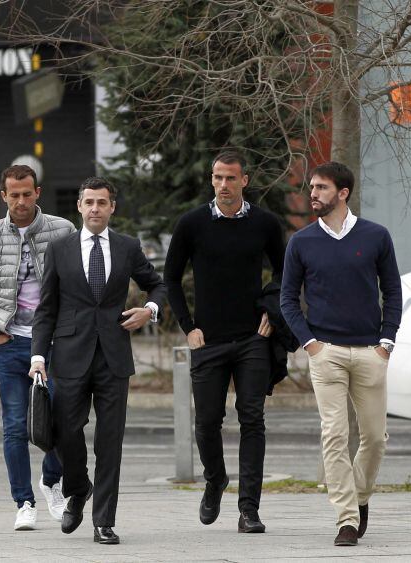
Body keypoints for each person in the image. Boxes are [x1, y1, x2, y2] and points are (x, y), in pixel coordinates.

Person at [30, 176, 166, 545]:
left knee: (110, 441)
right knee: (64, 431)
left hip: (113, 357)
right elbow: (46, 309)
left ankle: (104, 521)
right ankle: (78, 488)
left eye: (101, 202)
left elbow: (158, 284)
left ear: (112, 207)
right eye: (89, 202)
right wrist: (38, 356)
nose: (95, 209)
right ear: (79, 206)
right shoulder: (59, 249)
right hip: (69, 355)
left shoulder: (127, 247)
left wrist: (149, 310)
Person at [163, 150, 285, 534]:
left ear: (244, 180)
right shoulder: (192, 223)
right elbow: (170, 278)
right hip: (208, 340)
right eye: (217, 177)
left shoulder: (265, 223)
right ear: (211, 179)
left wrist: (272, 313)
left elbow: (285, 273)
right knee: (206, 421)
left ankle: (249, 509)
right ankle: (215, 479)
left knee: (252, 418)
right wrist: (188, 326)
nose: (223, 184)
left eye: (231, 178)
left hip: (253, 339)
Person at [280, 161, 402, 547]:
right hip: (326, 353)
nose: (313, 194)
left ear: (343, 193)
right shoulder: (301, 242)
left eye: (321, 187)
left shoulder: (376, 236)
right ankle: (346, 518)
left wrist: (386, 343)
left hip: (370, 351)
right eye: (312, 187)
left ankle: (360, 497)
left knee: (375, 438)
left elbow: (392, 292)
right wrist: (310, 344)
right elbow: (288, 299)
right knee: (334, 434)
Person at [0, 164, 75, 530]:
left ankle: (51, 481)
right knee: (14, 425)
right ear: (4, 196)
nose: (22, 201)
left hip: (55, 342)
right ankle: (23, 502)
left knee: (61, 420)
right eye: (14, 195)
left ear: (37, 193)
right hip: (10, 343)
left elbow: (76, 283)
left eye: (28, 194)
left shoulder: (63, 230)